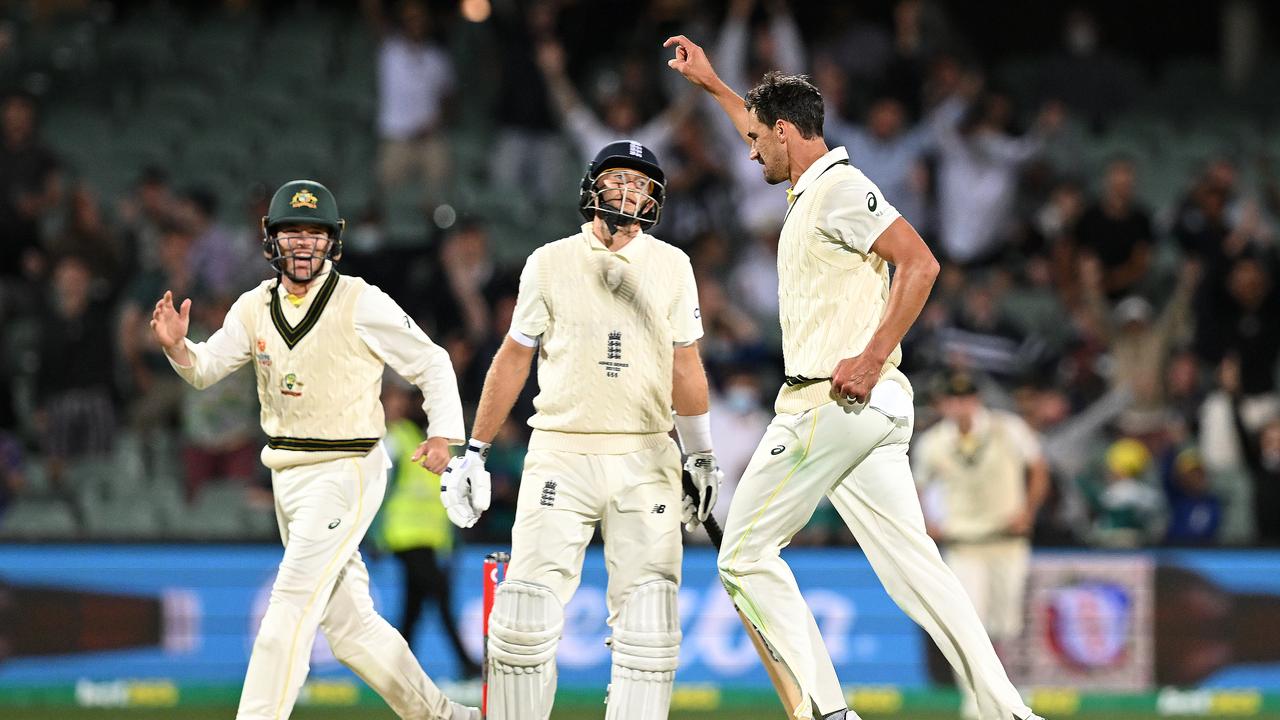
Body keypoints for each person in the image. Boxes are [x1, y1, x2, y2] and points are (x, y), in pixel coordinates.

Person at [665, 36, 1044, 720]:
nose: (749, 152)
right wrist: (716, 86)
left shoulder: (840, 188)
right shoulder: (810, 187)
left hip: (830, 403)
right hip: (869, 415)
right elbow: (753, 123)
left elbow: (921, 264)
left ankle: (829, 713)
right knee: (921, 577)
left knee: (743, 556)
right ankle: (1008, 713)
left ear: (786, 133)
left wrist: (872, 355)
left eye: (758, 140)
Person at [148, 180, 477, 720]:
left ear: (333, 242)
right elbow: (205, 371)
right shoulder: (255, 306)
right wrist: (179, 347)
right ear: (271, 240)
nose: (303, 244)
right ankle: (446, 716)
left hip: (347, 470)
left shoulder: (359, 300)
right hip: (289, 478)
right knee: (351, 631)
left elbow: (432, 361)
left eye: (315, 233)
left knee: (289, 607)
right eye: (291, 232)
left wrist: (442, 433)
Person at [440, 141, 720, 720]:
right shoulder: (548, 261)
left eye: (642, 184)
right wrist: (475, 451)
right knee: (522, 621)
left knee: (650, 627)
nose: (630, 191)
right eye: (618, 179)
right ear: (591, 187)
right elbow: (514, 357)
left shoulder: (673, 265)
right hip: (560, 451)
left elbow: (686, 366)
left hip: (645, 452)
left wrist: (700, 457)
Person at [912, 370, 1050, 719]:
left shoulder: (1008, 429)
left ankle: (1008, 700)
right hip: (964, 544)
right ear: (943, 403)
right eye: (953, 399)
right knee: (969, 624)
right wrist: (927, 522)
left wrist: (1028, 511)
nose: (961, 406)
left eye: (967, 398)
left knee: (1006, 626)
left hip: (1008, 541)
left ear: (978, 400)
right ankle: (975, 706)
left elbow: (1038, 468)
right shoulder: (933, 442)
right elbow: (917, 486)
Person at [374, 379, 481, 679]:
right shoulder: (398, 437)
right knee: (440, 594)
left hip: (430, 536)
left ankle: (396, 667)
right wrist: (374, 533)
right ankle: (466, 663)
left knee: (415, 604)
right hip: (404, 534)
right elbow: (379, 484)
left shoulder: (432, 441)